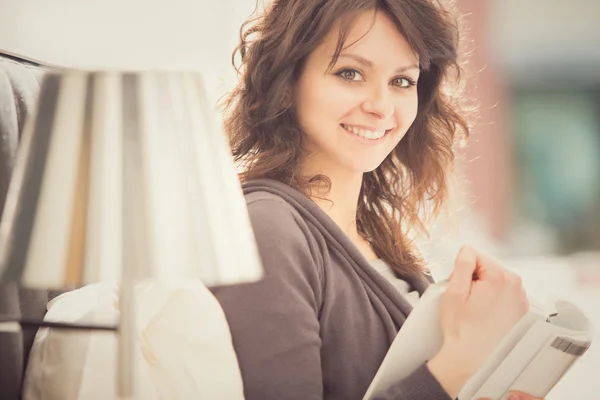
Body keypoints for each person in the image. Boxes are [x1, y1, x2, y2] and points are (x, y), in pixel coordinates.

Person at [212, 1, 544, 399]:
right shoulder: (267, 230)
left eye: (402, 81)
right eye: (349, 73)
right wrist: (458, 363)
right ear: (288, 77)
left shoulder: (379, 239)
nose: (381, 106)